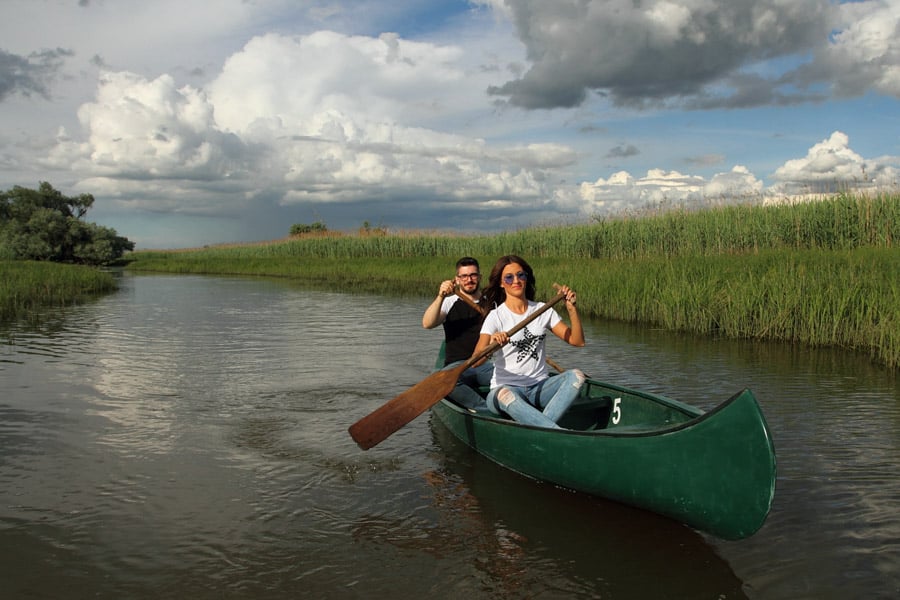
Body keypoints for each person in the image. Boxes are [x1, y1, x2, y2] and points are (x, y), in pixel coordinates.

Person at [472, 255, 585, 428]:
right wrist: (492, 345)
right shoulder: (496, 317)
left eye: (520, 275)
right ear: (501, 283)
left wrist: (572, 309)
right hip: (505, 389)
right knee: (506, 395)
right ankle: (554, 431)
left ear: (526, 278)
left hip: (539, 387)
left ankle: (540, 429)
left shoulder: (542, 310)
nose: (516, 280)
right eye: (509, 277)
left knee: (576, 376)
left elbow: (578, 341)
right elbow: (475, 361)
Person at [422, 257, 493, 410]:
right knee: (441, 382)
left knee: (512, 378)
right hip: (456, 366)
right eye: (464, 276)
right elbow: (427, 323)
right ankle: (485, 411)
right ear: (457, 279)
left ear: (479, 277)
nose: (469, 280)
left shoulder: (490, 304)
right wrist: (441, 296)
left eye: (473, 275)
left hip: (485, 364)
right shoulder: (449, 301)